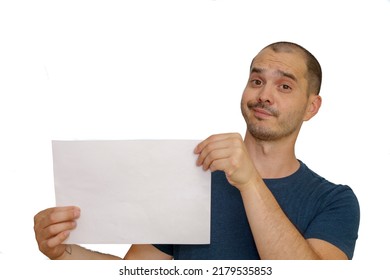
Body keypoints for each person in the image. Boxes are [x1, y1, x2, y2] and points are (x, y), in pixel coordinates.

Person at [34, 41, 360, 260]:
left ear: (311, 107)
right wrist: (66, 252)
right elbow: (135, 272)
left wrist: (249, 182)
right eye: (256, 81)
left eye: (284, 86)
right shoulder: (191, 177)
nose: (264, 95)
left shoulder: (335, 201)